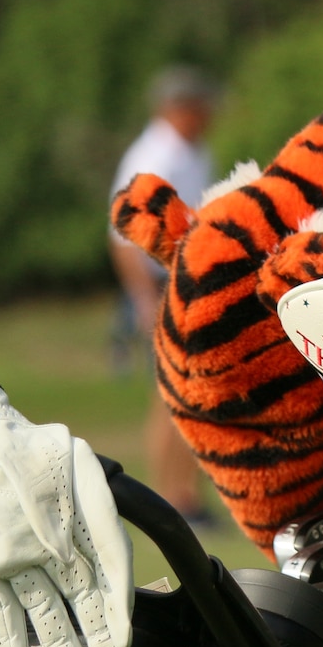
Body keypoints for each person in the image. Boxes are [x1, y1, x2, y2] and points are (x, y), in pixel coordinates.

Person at [109, 65, 220, 526]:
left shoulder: (193, 152)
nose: (208, 114)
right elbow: (121, 236)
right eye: (201, 106)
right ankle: (168, 501)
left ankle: (186, 497)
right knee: (170, 392)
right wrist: (141, 298)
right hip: (159, 282)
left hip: (189, 278)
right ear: (179, 108)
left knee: (192, 390)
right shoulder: (153, 155)